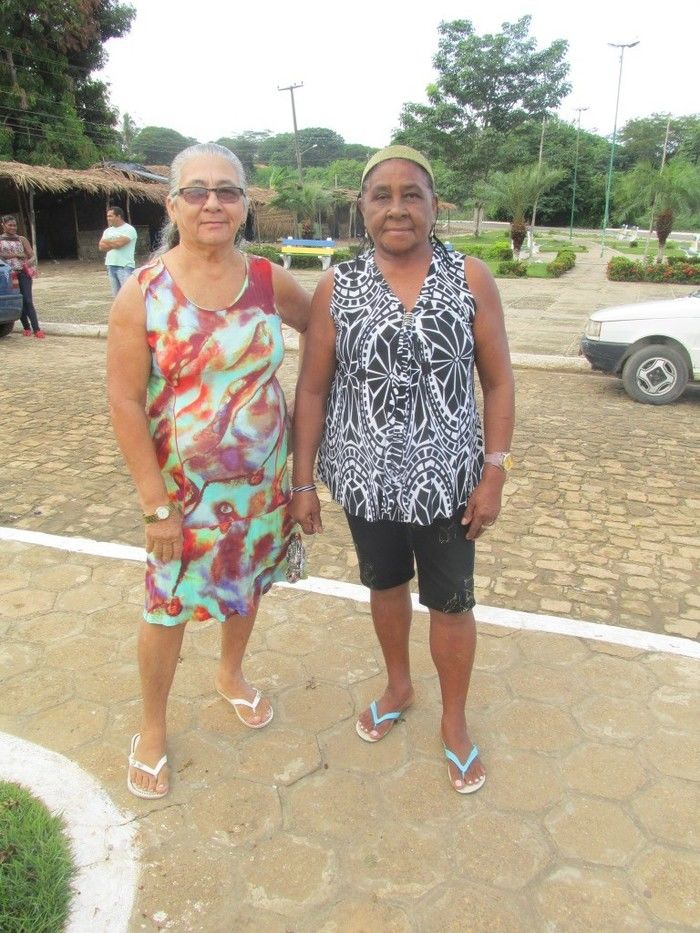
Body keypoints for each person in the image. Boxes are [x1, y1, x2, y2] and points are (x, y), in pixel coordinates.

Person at [292, 145, 515, 794]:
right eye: (382, 195)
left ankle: (453, 719)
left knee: (450, 600)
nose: (397, 208)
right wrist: (301, 481)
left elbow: (498, 383)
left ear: (432, 205)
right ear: (363, 206)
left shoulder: (469, 277)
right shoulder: (338, 284)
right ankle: (398, 683)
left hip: (450, 480)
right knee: (385, 585)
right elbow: (311, 389)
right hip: (366, 477)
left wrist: (494, 471)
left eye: (411, 194)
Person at [107, 143, 311, 799]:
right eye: (197, 190)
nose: (213, 202)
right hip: (182, 498)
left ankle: (230, 673)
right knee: (164, 606)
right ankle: (152, 727)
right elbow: (123, 399)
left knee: (246, 584)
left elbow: (329, 337)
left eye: (227, 190)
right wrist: (154, 503)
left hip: (261, 489)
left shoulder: (267, 280)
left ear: (245, 203)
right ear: (172, 204)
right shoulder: (143, 293)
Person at [0, 214, 45, 337]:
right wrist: (16, 255)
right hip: (8, 275)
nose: (13, 227)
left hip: (23, 273)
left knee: (27, 300)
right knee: (18, 300)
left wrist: (28, 262)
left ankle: (37, 329)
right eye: (10, 225)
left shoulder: (21, 239)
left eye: (14, 225)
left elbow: (32, 255)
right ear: (3, 225)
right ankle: (26, 327)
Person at [99, 205, 138, 295]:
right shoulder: (107, 231)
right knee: (116, 296)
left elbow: (119, 245)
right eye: (107, 216)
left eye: (110, 216)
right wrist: (114, 242)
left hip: (125, 266)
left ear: (119, 216)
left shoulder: (129, 229)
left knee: (127, 295)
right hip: (111, 266)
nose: (108, 218)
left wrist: (107, 242)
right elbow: (101, 246)